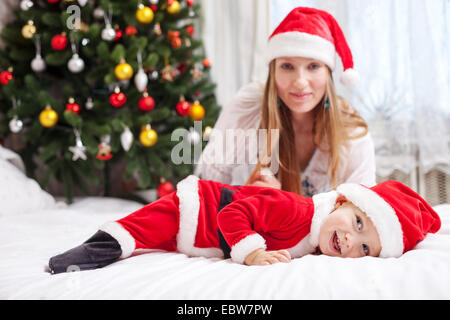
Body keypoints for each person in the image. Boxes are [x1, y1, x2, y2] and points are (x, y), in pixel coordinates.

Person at [48, 175, 441, 274]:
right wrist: (251, 253)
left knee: (152, 240)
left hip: (201, 236)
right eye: (356, 221)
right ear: (340, 200)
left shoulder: (315, 241)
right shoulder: (299, 211)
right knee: (134, 232)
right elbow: (232, 215)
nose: (349, 240)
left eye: (366, 247)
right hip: (197, 208)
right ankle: (90, 251)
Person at [195, 7, 375, 196]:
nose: (300, 82)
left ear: (328, 74)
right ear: (273, 72)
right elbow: (205, 187)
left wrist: (281, 205)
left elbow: (361, 213)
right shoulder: (249, 107)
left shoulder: (351, 133)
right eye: (287, 66)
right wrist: (246, 196)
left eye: (313, 66)